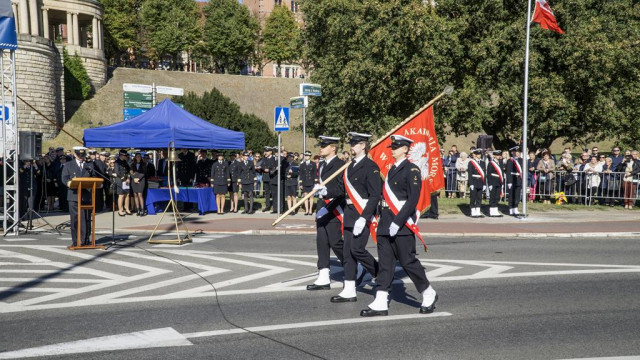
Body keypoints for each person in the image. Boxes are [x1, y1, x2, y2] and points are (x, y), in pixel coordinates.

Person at [361, 135, 437, 317]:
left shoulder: (411, 170)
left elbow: (413, 200)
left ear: (405, 149)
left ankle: (428, 292)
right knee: (385, 264)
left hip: (401, 225)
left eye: (396, 146)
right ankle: (381, 300)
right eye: (392, 146)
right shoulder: (391, 170)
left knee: (407, 261)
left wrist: (398, 221)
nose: (392, 149)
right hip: (385, 223)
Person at [330, 132, 380, 303]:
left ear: (363, 146)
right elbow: (341, 190)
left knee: (357, 249)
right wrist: (325, 191)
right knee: (347, 252)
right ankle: (349, 289)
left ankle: (379, 273)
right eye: (351, 143)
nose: (351, 146)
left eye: (355, 144)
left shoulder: (371, 166)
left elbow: (375, 195)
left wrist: (364, 217)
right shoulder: (349, 166)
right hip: (350, 212)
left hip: (362, 213)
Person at [307, 136, 345, 291]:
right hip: (323, 207)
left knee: (336, 242)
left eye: (324, 145)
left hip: (335, 208)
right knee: (321, 241)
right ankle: (323, 275)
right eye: (320, 145)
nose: (320, 148)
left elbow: (342, 189)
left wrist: (327, 191)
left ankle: (354, 266)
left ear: (333, 148)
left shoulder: (341, 165)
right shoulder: (321, 164)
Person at [61, 147, 96, 247]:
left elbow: (93, 177)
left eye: (83, 156)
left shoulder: (89, 165)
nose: (81, 158)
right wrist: (71, 183)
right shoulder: (69, 165)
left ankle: (85, 239)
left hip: (86, 195)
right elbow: (64, 178)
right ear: (75, 155)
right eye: (79, 156)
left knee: (86, 218)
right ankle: (76, 240)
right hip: (74, 195)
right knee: (75, 219)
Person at [298, 150, 317, 215]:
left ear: (310, 156)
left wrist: (315, 183)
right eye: (306, 155)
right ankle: (306, 210)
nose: (306, 157)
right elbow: (301, 175)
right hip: (305, 182)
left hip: (311, 182)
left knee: (311, 196)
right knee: (305, 196)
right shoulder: (302, 164)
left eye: (308, 156)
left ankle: (310, 210)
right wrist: (300, 183)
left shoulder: (313, 164)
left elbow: (315, 174)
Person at [506, 146, 523, 216]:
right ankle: (511, 209)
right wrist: (509, 181)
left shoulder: (521, 160)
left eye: (518, 152)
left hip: (518, 179)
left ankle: (515, 208)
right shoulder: (510, 161)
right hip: (512, 179)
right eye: (516, 152)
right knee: (511, 195)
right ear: (512, 153)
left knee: (517, 194)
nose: (517, 153)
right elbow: (508, 171)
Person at [467, 149, 485, 218]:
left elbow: (484, 174)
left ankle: (478, 211)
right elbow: (470, 173)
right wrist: (471, 183)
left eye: (480, 154)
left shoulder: (482, 163)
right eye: (478, 154)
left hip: (480, 181)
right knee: (473, 197)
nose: (479, 155)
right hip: (474, 181)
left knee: (479, 197)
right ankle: (472, 211)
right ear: (475, 155)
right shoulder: (471, 162)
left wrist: (484, 184)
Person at [114, 150, 132, 216]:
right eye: (125, 156)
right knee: (121, 195)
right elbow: (117, 172)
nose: (126, 157)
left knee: (127, 194)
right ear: (121, 155)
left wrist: (128, 178)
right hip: (120, 180)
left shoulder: (125, 162)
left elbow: (128, 170)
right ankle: (120, 210)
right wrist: (124, 179)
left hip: (126, 180)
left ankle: (127, 208)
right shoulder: (117, 162)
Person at [486, 150, 504, 217]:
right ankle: (491, 211)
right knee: (492, 197)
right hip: (493, 181)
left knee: (497, 197)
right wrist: (490, 183)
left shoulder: (500, 163)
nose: (499, 156)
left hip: (499, 182)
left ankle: (495, 210)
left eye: (499, 155)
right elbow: (488, 174)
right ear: (494, 156)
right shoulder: (491, 163)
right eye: (497, 155)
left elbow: (501, 173)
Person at [259, 146, 273, 211]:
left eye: (267, 151)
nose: (265, 153)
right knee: (266, 193)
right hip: (265, 177)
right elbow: (261, 165)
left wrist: (269, 170)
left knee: (273, 192)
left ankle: (275, 206)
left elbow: (274, 166)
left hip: (272, 177)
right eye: (265, 151)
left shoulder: (273, 158)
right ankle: (267, 206)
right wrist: (263, 168)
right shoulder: (263, 159)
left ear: (270, 152)